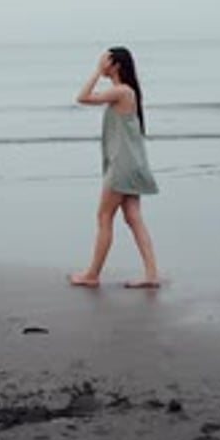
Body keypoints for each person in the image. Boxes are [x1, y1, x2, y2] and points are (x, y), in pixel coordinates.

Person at [69, 46, 160, 289]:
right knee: (133, 218)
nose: (101, 62)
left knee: (104, 216)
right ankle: (151, 274)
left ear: (115, 65)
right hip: (131, 164)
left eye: (105, 59)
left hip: (122, 166)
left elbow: (82, 97)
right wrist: (100, 70)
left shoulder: (121, 91)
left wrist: (97, 72)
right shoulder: (127, 92)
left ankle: (92, 274)